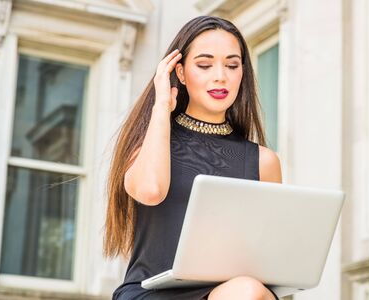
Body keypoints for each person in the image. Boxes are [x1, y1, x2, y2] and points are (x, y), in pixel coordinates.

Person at [104, 15, 283, 300]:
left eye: (232, 65)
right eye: (204, 64)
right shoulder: (149, 144)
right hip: (151, 292)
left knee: (250, 290)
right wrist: (161, 106)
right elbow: (150, 191)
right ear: (181, 73)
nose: (220, 76)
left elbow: (267, 257)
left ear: (242, 74)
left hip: (234, 293)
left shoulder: (264, 162)